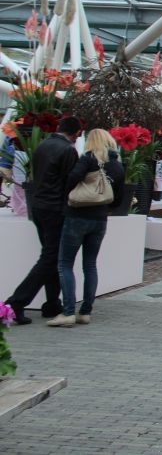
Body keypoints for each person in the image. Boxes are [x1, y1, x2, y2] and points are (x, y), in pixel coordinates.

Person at [4, 116, 82, 325]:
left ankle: (52, 304)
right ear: (75, 133)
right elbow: (70, 182)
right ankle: (16, 303)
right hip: (55, 208)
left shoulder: (42, 145)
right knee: (51, 257)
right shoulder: (68, 151)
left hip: (38, 206)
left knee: (51, 255)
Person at [48, 129, 125, 327]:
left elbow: (70, 180)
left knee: (65, 263)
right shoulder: (116, 165)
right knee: (90, 265)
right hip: (100, 219)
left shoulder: (88, 159)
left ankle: (67, 313)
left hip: (77, 217)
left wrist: (67, 198)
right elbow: (119, 198)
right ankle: (86, 312)